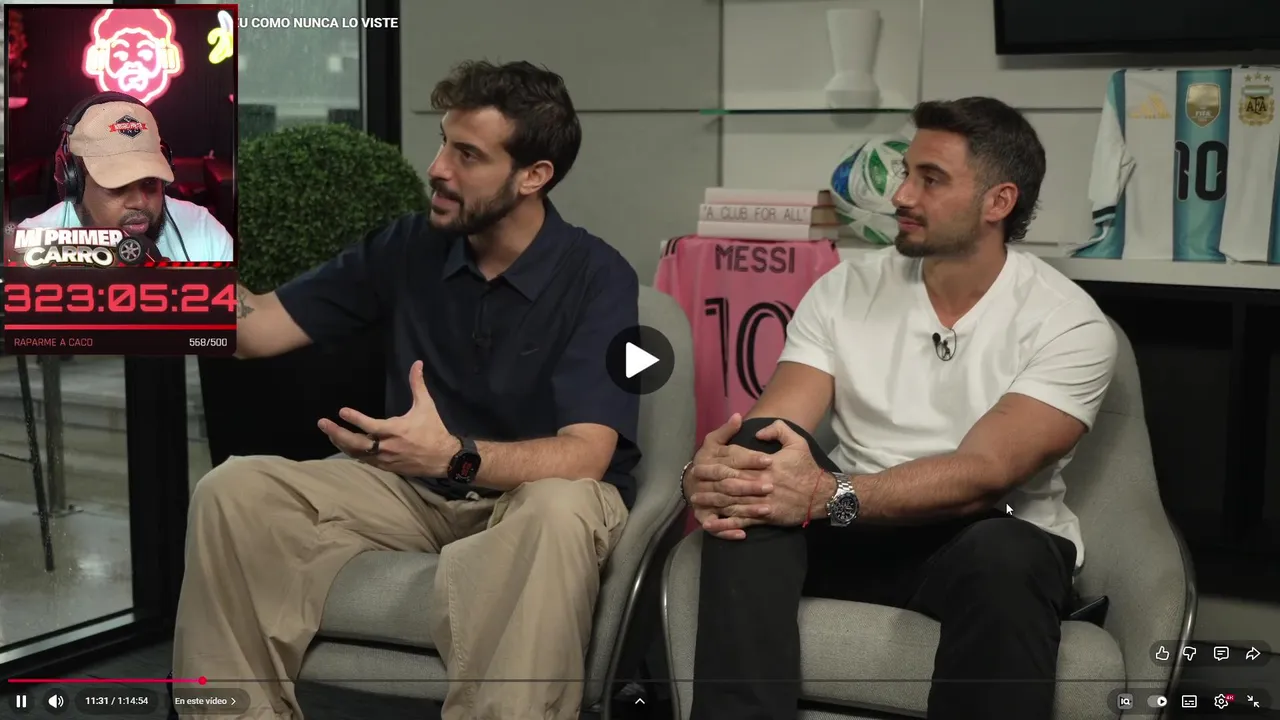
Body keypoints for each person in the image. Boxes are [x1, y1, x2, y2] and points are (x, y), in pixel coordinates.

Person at [170, 60, 640, 720]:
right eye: (444, 142)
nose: (437, 168)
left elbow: (587, 455)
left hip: (530, 500)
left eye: (468, 154)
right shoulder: (409, 245)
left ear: (533, 176)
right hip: (410, 490)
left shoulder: (600, 278)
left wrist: (453, 456)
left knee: (560, 510)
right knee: (233, 490)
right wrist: (156, 254)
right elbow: (257, 328)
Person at [684, 97, 1118, 720]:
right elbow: (775, 425)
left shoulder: (1068, 323)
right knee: (756, 459)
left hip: (976, 539)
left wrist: (825, 495)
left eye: (930, 179)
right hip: (851, 532)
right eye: (906, 173)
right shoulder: (845, 288)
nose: (901, 196)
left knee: (1008, 553)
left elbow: (984, 474)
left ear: (998, 202)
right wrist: (714, 474)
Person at [16, 92, 234, 263]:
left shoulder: (203, 229)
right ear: (74, 184)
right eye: (117, 186)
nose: (139, 202)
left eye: (150, 182)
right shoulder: (29, 244)